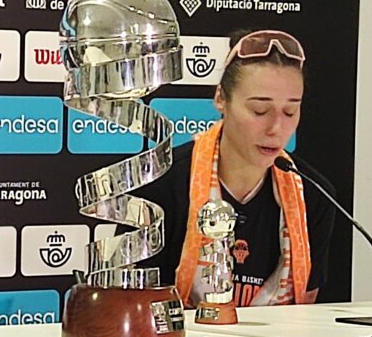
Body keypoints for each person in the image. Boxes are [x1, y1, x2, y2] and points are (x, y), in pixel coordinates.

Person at [133, 29, 336, 307]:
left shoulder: (314, 195)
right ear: (221, 99)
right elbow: (133, 307)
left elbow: (309, 312)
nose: (276, 128)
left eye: (290, 111)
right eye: (259, 111)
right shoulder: (161, 185)